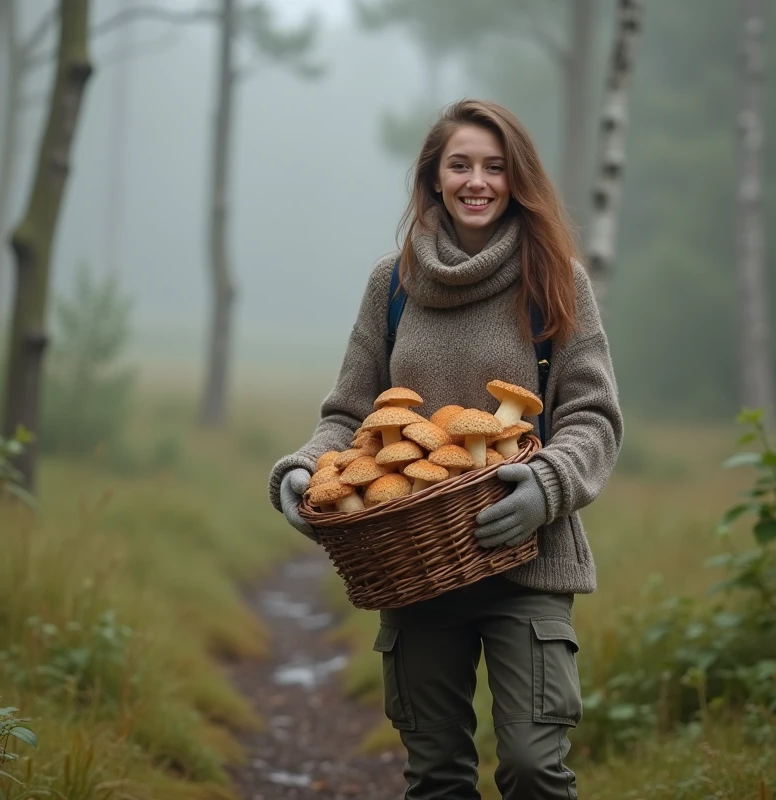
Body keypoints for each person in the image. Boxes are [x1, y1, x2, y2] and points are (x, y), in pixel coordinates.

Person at [266, 99, 623, 800]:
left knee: (531, 767)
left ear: (517, 178)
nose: (477, 181)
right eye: (460, 165)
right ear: (433, 178)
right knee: (436, 778)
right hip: (415, 570)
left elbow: (594, 417)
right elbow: (349, 413)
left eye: (495, 166)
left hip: (530, 564)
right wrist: (303, 469)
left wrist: (545, 487)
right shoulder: (392, 285)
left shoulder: (555, 277)